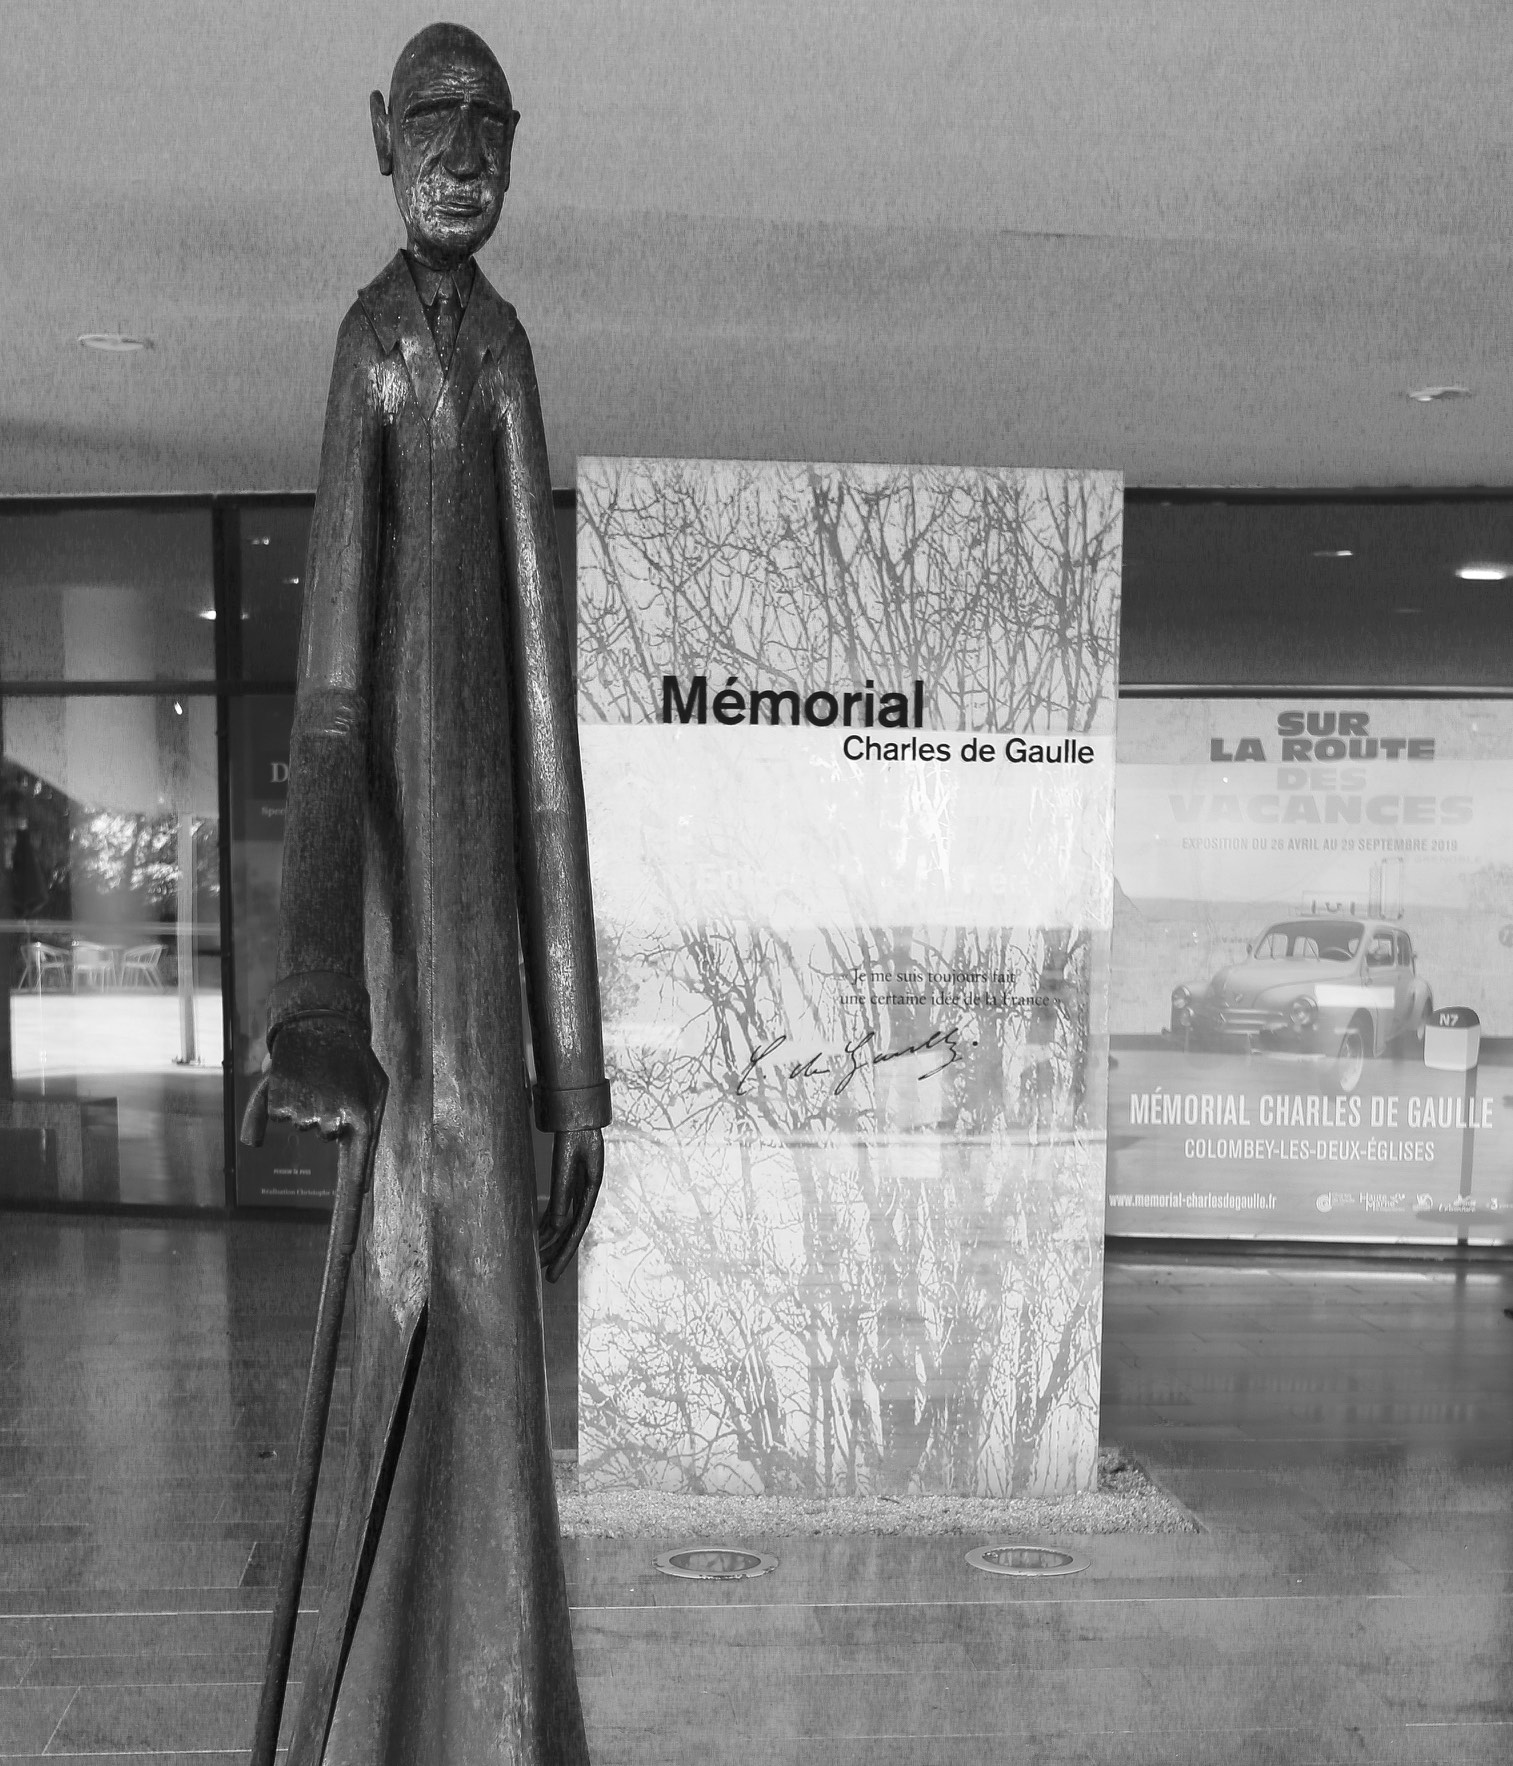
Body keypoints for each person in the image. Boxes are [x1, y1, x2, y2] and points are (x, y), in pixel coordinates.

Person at [250, 23, 608, 1762]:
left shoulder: (504, 353)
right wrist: (320, 989)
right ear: (379, 138)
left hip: (487, 999)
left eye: (490, 126)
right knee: (404, 1326)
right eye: (433, 121)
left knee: (491, 1369)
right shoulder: (375, 348)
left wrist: (577, 1071)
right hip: (401, 978)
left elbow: (544, 744)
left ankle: (500, 1718)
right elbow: (326, 706)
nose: (463, 155)